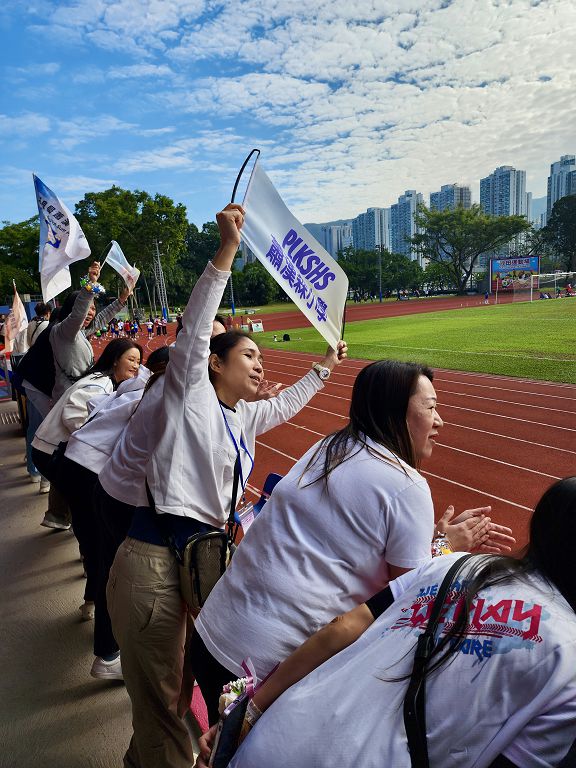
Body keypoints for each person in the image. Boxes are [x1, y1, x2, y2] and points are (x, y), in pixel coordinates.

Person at [106, 203, 347, 768]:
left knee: (174, 692)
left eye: (262, 358)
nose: (261, 366)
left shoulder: (240, 416)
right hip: (154, 560)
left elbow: (285, 404)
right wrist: (227, 250)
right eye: (249, 355)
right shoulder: (188, 395)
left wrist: (324, 366)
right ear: (213, 365)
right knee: (164, 707)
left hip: (200, 559)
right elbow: (193, 332)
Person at [190, 360, 514, 725]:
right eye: (431, 407)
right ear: (394, 412)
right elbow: (408, 602)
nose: (439, 421)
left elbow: (338, 544)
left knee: (219, 744)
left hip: (212, 632)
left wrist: (433, 544)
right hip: (262, 671)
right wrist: (445, 549)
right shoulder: (406, 486)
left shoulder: (329, 446)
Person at [198, 476, 576, 768]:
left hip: (279, 736)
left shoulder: (452, 565)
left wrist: (249, 712)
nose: (438, 419)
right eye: (430, 406)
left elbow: (342, 627)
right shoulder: (568, 660)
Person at [32, 338, 142, 620]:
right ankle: (93, 589)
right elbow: (76, 416)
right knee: (93, 525)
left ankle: (90, 576)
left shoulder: (106, 384)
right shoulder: (100, 384)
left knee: (88, 521)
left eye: (139, 361)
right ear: (114, 360)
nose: (136, 366)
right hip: (56, 455)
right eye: (131, 359)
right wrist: (101, 440)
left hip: (59, 455)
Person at [50, 261, 130, 401]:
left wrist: (122, 298)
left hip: (81, 393)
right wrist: (90, 285)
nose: (91, 312)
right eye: (87, 308)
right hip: (69, 399)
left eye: (93, 308)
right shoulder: (63, 332)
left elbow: (101, 319)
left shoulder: (80, 332)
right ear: (72, 308)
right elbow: (78, 315)